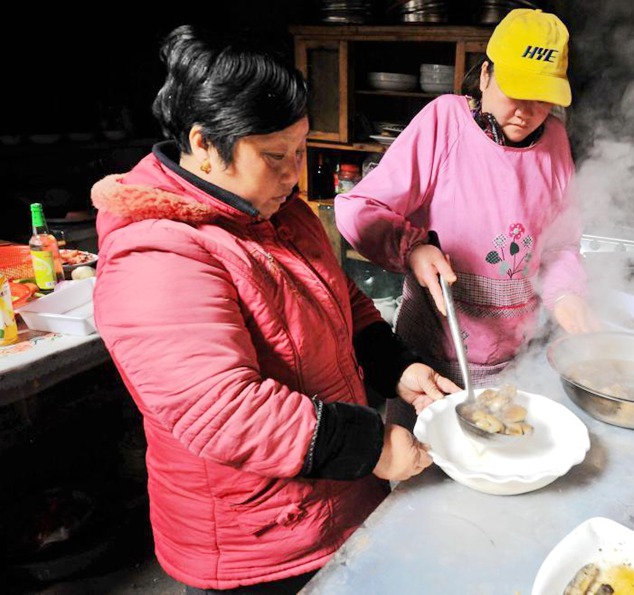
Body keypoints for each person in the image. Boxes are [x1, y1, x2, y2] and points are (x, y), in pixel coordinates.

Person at [90, 25, 458, 594]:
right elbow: (221, 409)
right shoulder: (156, 250)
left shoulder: (280, 211)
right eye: (273, 155)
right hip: (258, 541)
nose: (293, 173)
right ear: (205, 144)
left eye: (300, 149)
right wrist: (372, 445)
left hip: (334, 500)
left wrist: (397, 367)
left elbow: (343, 303)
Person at [335, 9, 596, 428]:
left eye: (542, 97)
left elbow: (560, 245)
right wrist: (412, 249)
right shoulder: (444, 122)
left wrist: (567, 296)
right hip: (430, 362)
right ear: (487, 75)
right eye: (517, 91)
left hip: (515, 359)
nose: (527, 112)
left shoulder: (555, 142)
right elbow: (359, 208)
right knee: (422, 472)